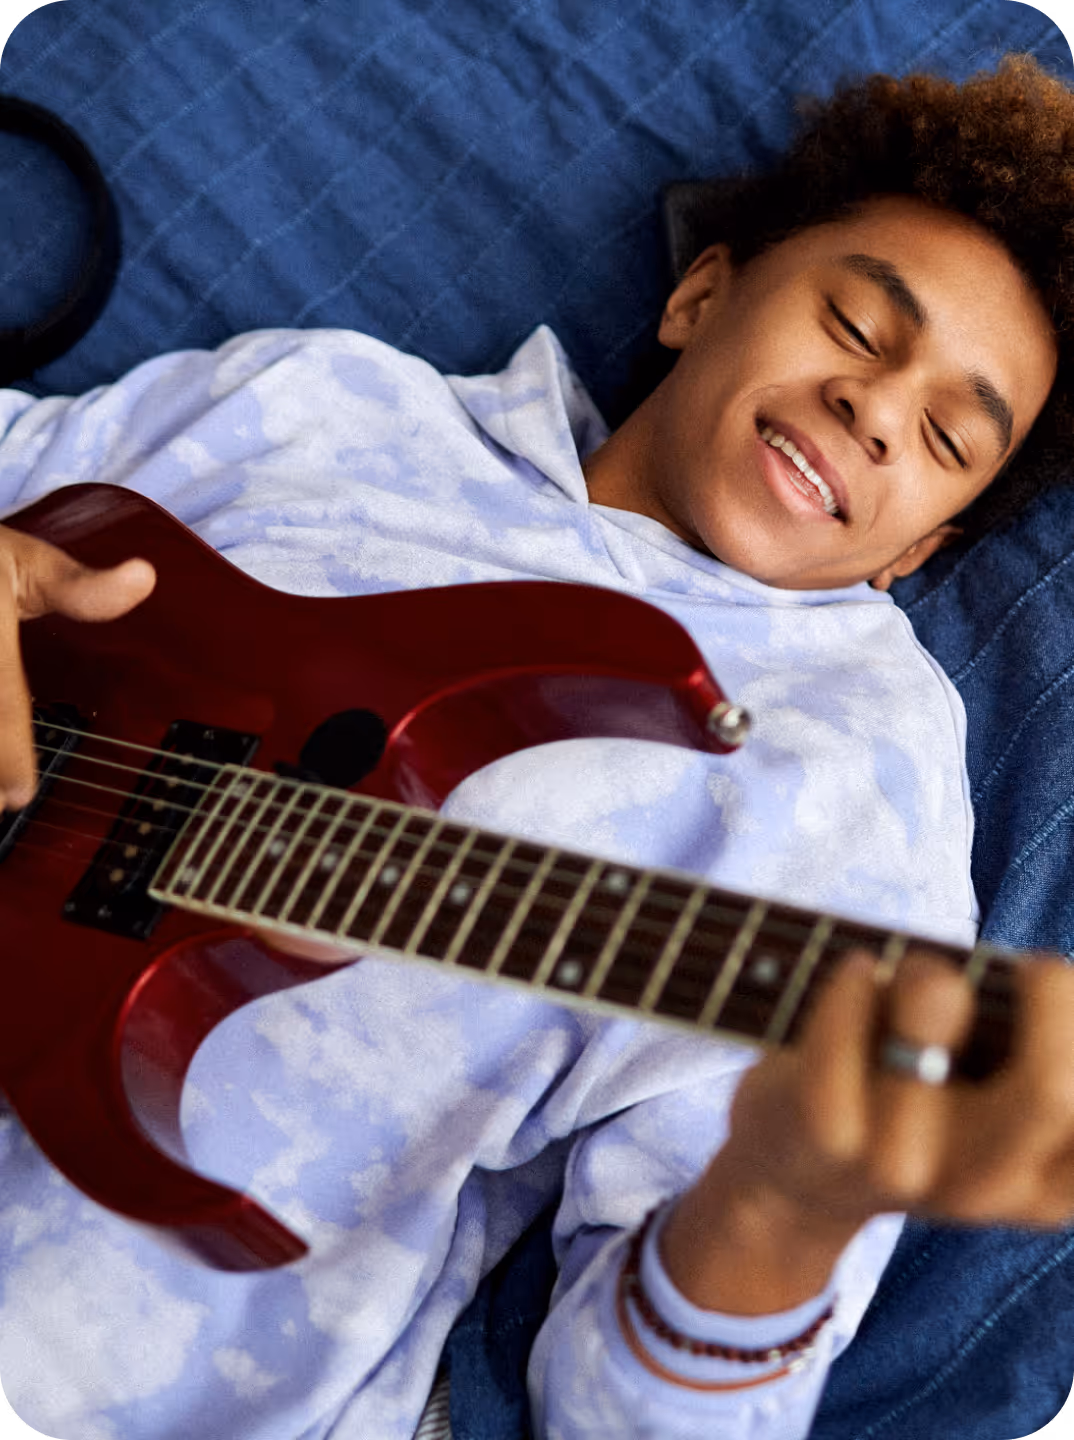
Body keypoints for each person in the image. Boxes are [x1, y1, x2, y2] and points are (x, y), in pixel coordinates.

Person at [1, 51, 1073, 1440]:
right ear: (701, 295)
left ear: (913, 554)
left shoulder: (848, 777)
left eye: (941, 434)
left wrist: (779, 1206)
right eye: (858, 326)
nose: (875, 407)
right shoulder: (324, 403)